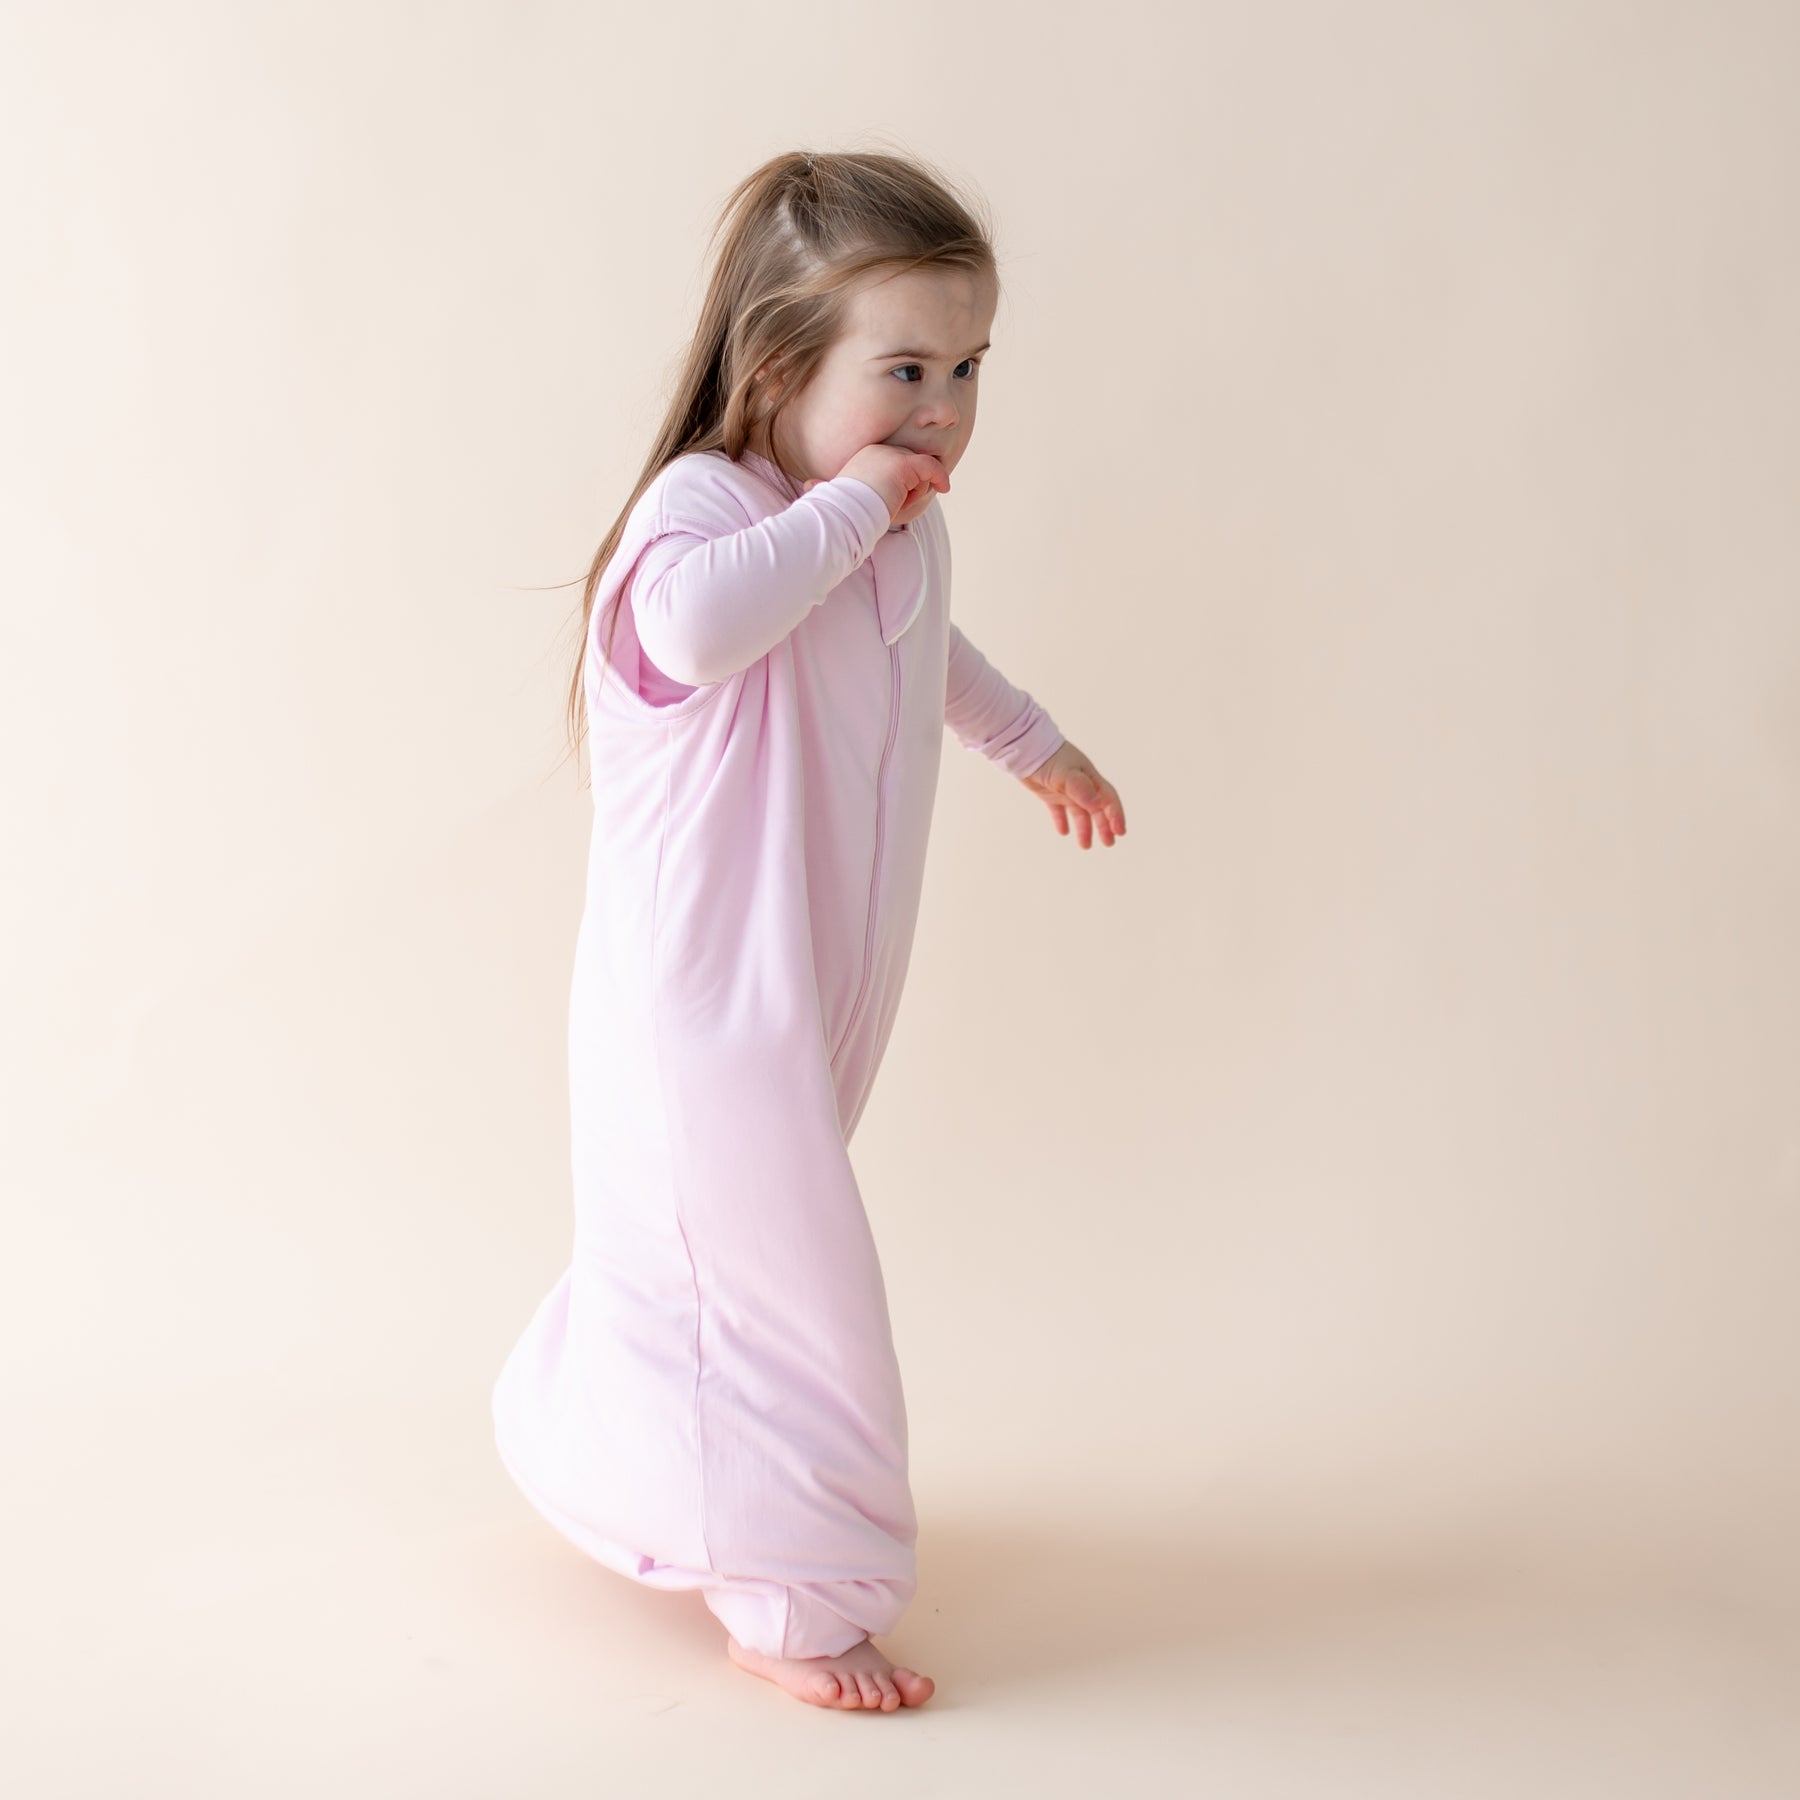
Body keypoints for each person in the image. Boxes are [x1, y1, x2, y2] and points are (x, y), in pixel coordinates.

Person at [491, 148, 1127, 1713]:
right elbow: (703, 629)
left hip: (809, 1005)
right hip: (691, 1010)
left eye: (968, 368)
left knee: (716, 1276)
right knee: (795, 1304)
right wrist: (855, 504)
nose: (944, 409)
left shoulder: (889, 537)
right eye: (904, 368)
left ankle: (606, 1458)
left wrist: (1034, 741)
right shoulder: (704, 514)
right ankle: (794, 1598)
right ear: (782, 364)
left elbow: (929, 653)